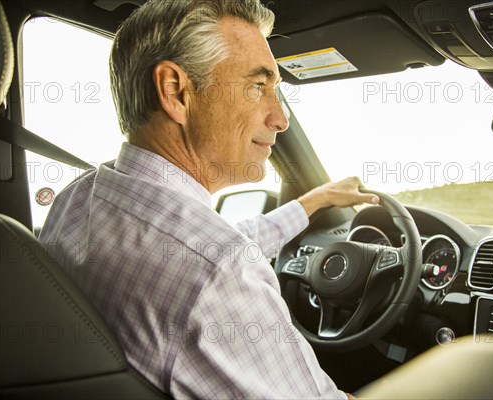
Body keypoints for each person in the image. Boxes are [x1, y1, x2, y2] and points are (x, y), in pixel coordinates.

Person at [39, 0, 379, 398]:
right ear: (176, 92)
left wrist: (314, 201)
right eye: (258, 86)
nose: (280, 118)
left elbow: (218, 242)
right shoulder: (219, 271)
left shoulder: (78, 199)